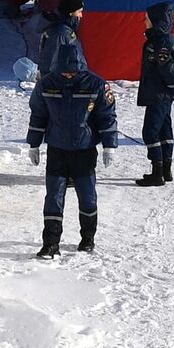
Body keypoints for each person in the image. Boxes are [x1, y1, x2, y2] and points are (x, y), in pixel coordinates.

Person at [27, 42, 118, 258]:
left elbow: (107, 116)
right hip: (57, 149)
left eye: (73, 71)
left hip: (84, 150)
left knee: (87, 196)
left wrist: (109, 145)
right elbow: (38, 114)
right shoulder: (47, 85)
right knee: (54, 196)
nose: (68, 75)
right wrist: (34, 143)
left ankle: (87, 238)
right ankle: (50, 243)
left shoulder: (96, 85)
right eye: (64, 71)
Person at [134, 1, 174, 187]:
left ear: (156, 21)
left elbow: (168, 70)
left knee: (150, 132)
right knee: (164, 129)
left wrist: (172, 88)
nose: (144, 21)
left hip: (159, 94)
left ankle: (157, 171)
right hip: (163, 94)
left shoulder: (160, 42)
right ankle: (166, 169)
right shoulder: (167, 38)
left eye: (147, 19)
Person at [37, 0, 84, 73]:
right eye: (79, 12)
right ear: (70, 13)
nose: (81, 15)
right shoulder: (61, 33)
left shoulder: (67, 29)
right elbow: (52, 63)